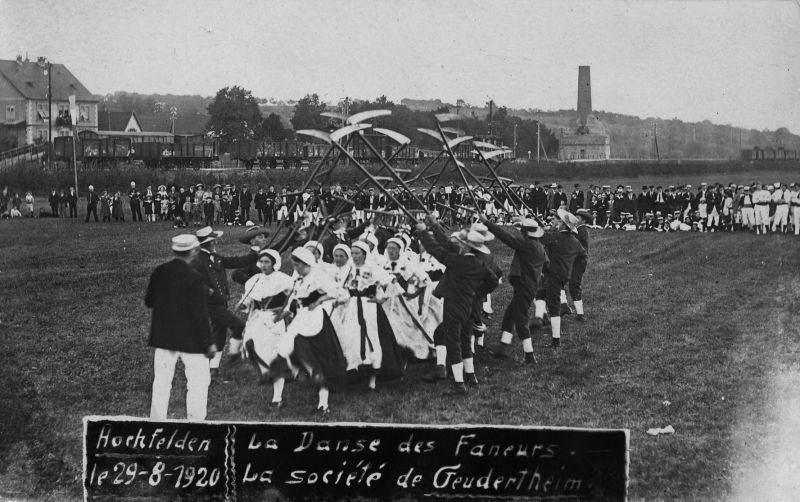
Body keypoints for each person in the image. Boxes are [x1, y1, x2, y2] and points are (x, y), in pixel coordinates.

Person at [415, 217, 498, 395]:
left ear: (467, 246)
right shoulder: (479, 263)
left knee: (452, 341)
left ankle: (459, 384)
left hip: (453, 305)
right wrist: (434, 225)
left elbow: (437, 250)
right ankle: (470, 375)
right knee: (464, 338)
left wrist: (423, 232)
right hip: (468, 304)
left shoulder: (457, 261)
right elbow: (493, 281)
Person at [145, 234, 216, 421]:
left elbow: (149, 301)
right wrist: (208, 343)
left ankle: (156, 420)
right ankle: (196, 422)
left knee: (161, 381)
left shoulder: (159, 271)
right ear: (193, 251)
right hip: (190, 339)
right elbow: (200, 315)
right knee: (198, 382)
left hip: (164, 336)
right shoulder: (194, 278)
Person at [284, 247, 347, 416]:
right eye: (294, 265)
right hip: (300, 321)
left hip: (316, 323)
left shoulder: (319, 276)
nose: (295, 268)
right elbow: (294, 299)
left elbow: (342, 294)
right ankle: (308, 377)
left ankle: (323, 402)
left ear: (306, 264)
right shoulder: (299, 278)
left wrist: (320, 299)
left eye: (297, 265)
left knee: (320, 360)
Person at [480, 214, 547, 363]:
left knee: (521, 320)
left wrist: (487, 223)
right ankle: (503, 346)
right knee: (510, 314)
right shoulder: (539, 247)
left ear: (524, 232)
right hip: (528, 286)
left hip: (524, 287)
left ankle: (529, 355)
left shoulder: (527, 244)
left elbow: (507, 238)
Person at [193, 226, 258, 375]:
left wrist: (254, 252)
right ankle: (234, 357)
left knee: (219, 335)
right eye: (213, 240)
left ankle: (213, 369)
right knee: (238, 325)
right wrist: (206, 290)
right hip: (209, 304)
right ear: (208, 242)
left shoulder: (215, 257)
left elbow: (236, 262)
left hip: (220, 302)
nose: (216, 242)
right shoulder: (197, 259)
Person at [237, 248, 294, 410]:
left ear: (274, 263)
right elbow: (249, 302)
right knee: (253, 347)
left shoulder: (284, 280)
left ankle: (277, 397)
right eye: (261, 262)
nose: (263, 265)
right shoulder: (255, 280)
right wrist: (244, 304)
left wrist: (285, 313)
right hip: (258, 320)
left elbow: (293, 301)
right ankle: (269, 371)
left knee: (276, 357)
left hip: (275, 321)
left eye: (267, 262)